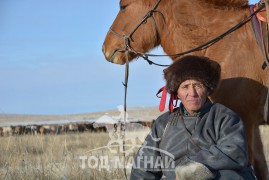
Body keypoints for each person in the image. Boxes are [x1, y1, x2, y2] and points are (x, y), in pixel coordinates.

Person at [130, 55, 256, 180]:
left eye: (197, 85)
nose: (192, 93)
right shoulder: (163, 124)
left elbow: (235, 152)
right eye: (185, 87)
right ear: (177, 93)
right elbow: (143, 169)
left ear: (207, 89)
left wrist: (191, 171)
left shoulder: (225, 117)